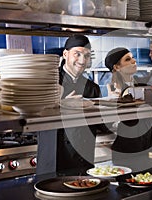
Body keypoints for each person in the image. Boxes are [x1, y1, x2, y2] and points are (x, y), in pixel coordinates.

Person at [57, 34, 111, 173]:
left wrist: (110, 105)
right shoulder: (50, 82)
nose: (82, 60)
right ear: (65, 54)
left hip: (84, 159)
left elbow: (102, 124)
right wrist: (60, 104)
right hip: (56, 158)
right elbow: (35, 113)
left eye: (86, 56)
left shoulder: (92, 88)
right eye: (77, 54)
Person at [105, 47, 152, 170]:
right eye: (128, 59)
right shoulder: (114, 91)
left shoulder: (141, 84)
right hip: (129, 151)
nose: (133, 61)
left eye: (133, 58)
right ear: (117, 67)